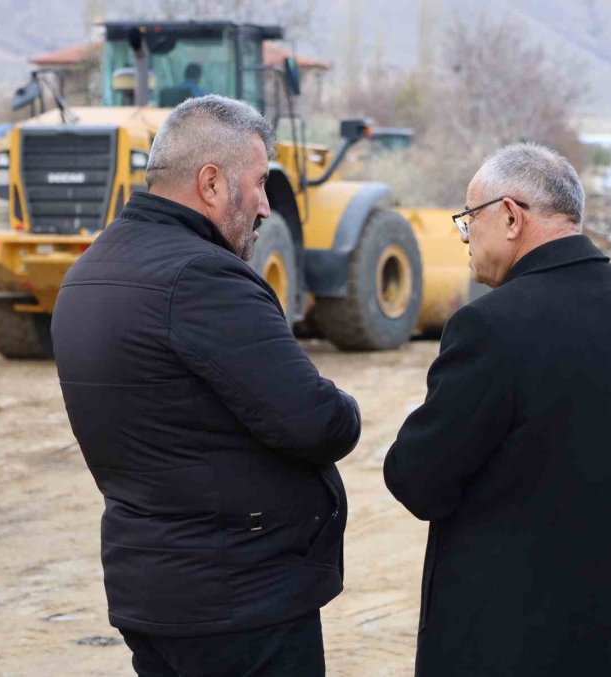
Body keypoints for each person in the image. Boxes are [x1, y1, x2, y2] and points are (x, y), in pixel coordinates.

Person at [51, 95, 361, 677]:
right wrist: (346, 405)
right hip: (240, 605)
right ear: (212, 183)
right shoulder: (203, 278)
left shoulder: (91, 270)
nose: (267, 207)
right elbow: (316, 422)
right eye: (261, 183)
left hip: (155, 593)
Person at [384, 142, 611, 676]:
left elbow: (416, 478)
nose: (465, 238)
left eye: (468, 219)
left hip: (517, 642)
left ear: (509, 216)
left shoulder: (492, 326)